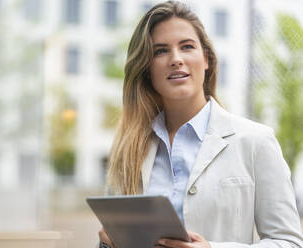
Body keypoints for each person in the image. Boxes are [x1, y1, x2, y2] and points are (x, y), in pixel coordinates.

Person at [98, 1, 303, 247]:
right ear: (146, 68)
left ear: (206, 59)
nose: (176, 59)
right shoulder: (128, 149)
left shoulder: (255, 141)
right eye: (160, 51)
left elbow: (288, 242)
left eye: (187, 46)